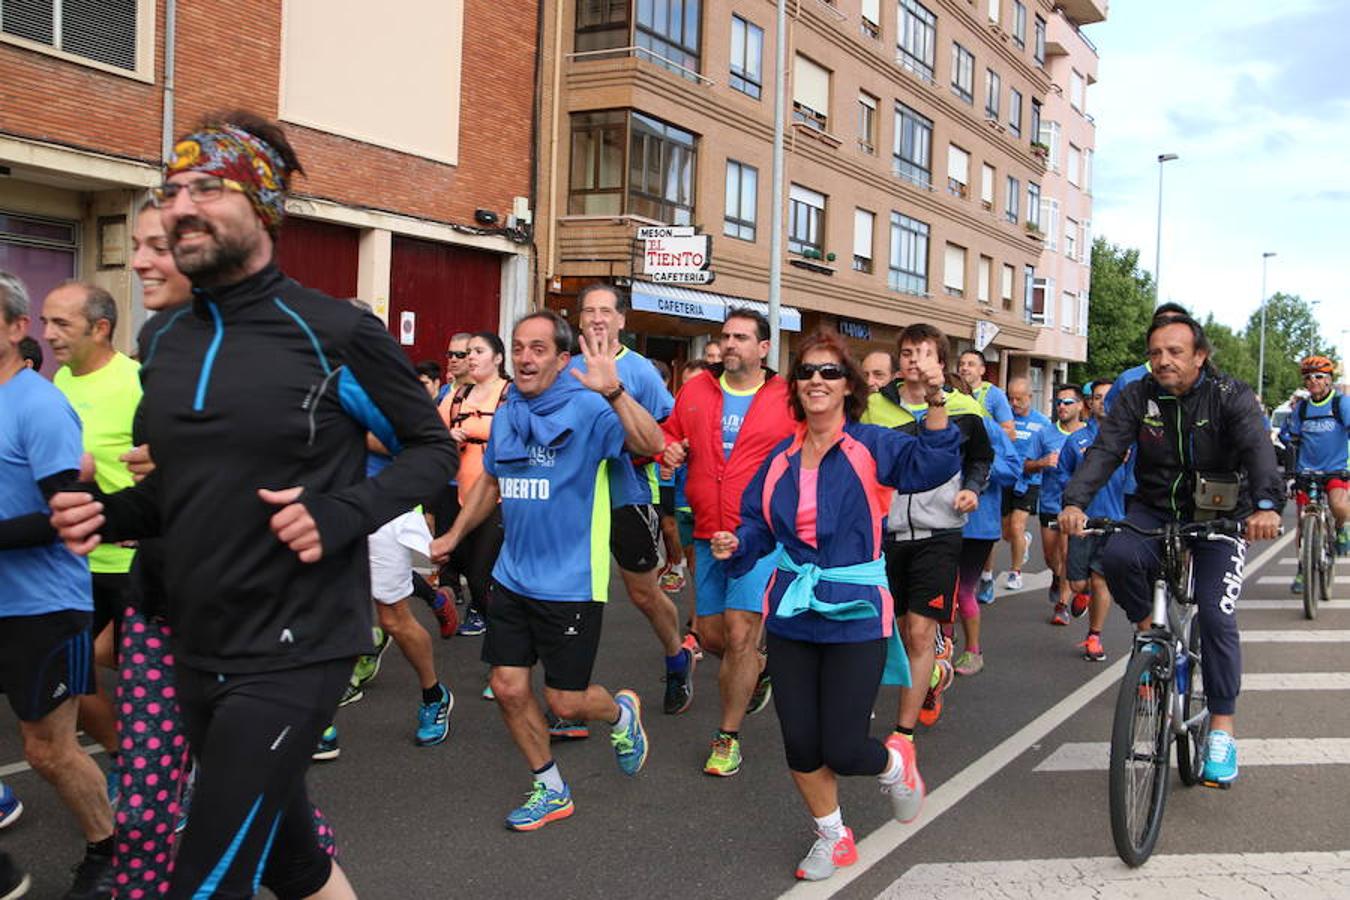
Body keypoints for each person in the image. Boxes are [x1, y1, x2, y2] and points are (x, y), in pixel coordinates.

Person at [50, 111, 455, 897]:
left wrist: (340, 512)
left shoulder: (335, 331)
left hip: (296, 649)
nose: (181, 206)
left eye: (209, 187)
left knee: (204, 880)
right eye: (172, 190)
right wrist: (108, 512)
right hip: (196, 646)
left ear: (264, 207)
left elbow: (433, 452)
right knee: (293, 862)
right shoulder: (166, 340)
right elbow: (180, 492)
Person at [711, 330, 962, 881]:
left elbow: (933, 463)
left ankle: (897, 765)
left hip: (855, 609)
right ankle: (833, 835)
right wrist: (737, 545)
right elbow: (756, 526)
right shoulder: (781, 458)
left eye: (829, 372)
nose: (816, 381)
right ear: (795, 387)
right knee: (801, 743)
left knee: (845, 748)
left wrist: (938, 397)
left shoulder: (870, 444)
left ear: (847, 386)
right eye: (806, 372)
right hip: (794, 610)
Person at [430, 311, 663, 831]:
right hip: (513, 576)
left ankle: (621, 714)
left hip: (570, 582)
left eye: (538, 348)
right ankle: (550, 787)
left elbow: (651, 446)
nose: (526, 357)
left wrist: (616, 393)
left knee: (566, 700)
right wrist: (454, 536)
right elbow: (491, 481)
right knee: (509, 686)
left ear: (562, 358)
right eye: (519, 347)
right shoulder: (510, 408)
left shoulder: (590, 407)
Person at [1060, 312, 1284, 787]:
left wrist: (1265, 505)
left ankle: (1222, 727)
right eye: (1156, 352)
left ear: (1199, 356)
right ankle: (1152, 638)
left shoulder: (1229, 397)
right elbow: (1105, 449)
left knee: (1216, 614)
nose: (1164, 361)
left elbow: (1257, 450)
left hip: (1221, 515)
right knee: (1117, 555)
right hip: (1155, 507)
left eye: (1176, 351)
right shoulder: (1137, 396)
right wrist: (1075, 501)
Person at [0, 270, 115, 898]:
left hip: (45, 604)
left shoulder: (40, 404)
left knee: (48, 750)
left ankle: (109, 850)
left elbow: (63, 514)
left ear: (17, 330)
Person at [662, 308, 796, 777]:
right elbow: (669, 434)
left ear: (763, 348)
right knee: (715, 636)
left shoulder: (786, 397)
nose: (729, 344)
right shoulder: (697, 390)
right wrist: (669, 448)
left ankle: (727, 736)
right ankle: (758, 668)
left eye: (741, 337)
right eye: (726, 336)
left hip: (758, 536)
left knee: (740, 633)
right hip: (706, 533)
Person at [566, 284, 692, 718]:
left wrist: (635, 449)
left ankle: (677, 656)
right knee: (571, 591)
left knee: (643, 594)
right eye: (589, 311)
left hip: (627, 494)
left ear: (622, 319)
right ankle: (568, 690)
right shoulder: (565, 370)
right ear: (579, 320)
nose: (598, 318)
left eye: (606, 311)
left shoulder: (639, 371)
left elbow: (668, 432)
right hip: (576, 497)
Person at [862, 323, 992, 733]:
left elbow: (981, 461)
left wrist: (972, 489)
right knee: (898, 629)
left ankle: (903, 733)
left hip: (940, 532)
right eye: (907, 353)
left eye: (924, 353)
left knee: (918, 631)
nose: (914, 360)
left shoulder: (965, 410)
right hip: (887, 534)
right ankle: (933, 668)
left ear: (940, 362)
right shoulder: (873, 408)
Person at [43, 279, 139, 753]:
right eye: (45, 322)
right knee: (73, 673)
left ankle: (179, 770)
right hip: (79, 562)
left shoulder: (137, 382)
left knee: (152, 682)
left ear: (101, 328)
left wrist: (147, 524)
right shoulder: (60, 381)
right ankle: (133, 762)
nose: (48, 334)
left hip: (132, 567)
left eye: (61, 323)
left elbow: (175, 465)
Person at [443, 330, 511, 643]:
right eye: (468, 351)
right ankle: (505, 635)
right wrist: (448, 439)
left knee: (482, 577)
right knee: (472, 573)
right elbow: (429, 435)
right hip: (463, 498)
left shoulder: (512, 395)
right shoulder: (457, 396)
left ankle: (505, 647)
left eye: (478, 351)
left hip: (500, 499)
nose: (470, 357)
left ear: (498, 358)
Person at [1057, 378, 1130, 660]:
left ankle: (1094, 637)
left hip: (1115, 520)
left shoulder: (1131, 441)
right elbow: (1063, 476)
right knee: (1077, 583)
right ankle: (1081, 593)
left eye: (1108, 397)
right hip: (1083, 522)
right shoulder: (1077, 441)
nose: (1103, 402)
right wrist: (1071, 507)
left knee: (1102, 580)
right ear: (1090, 402)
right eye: (1097, 397)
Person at [952, 415, 1022, 677]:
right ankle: (941, 648)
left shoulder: (987, 425)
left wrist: (977, 466)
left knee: (962, 590)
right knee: (937, 590)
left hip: (977, 526)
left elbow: (1013, 469)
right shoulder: (929, 419)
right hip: (935, 522)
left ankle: (973, 651)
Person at [1280, 355, 1350, 581]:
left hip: (1336, 467)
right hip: (1306, 470)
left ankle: (1341, 529)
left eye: (1319, 376)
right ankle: (1303, 569)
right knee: (1303, 520)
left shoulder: (1341, 404)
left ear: (1329, 379)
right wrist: (1290, 475)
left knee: (1338, 505)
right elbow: (1293, 443)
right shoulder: (1301, 409)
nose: (1314, 381)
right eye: (1308, 378)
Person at [957, 350, 1015, 602]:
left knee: (963, 593)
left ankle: (987, 576)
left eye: (970, 364)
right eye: (961, 364)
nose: (964, 368)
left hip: (980, 517)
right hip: (940, 520)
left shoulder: (993, 400)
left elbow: (1011, 458)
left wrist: (981, 472)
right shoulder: (931, 424)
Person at [1041, 384, 1086, 622]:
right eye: (1058, 402)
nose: (1062, 406)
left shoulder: (1091, 436)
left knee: (1068, 554)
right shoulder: (1046, 433)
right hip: (1049, 502)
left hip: (1076, 507)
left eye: (1068, 402)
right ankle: (1057, 578)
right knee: (1051, 557)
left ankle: (1062, 605)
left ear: (1080, 405)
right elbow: (1026, 465)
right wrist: (1042, 463)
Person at [1001, 377, 1051, 591]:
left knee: (1016, 525)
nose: (1014, 403)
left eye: (1019, 399)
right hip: (1006, 479)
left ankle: (1015, 572)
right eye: (1010, 398)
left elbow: (1049, 452)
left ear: (1030, 397)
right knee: (1006, 533)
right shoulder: (1005, 419)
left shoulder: (1042, 423)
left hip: (1030, 480)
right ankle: (1024, 541)